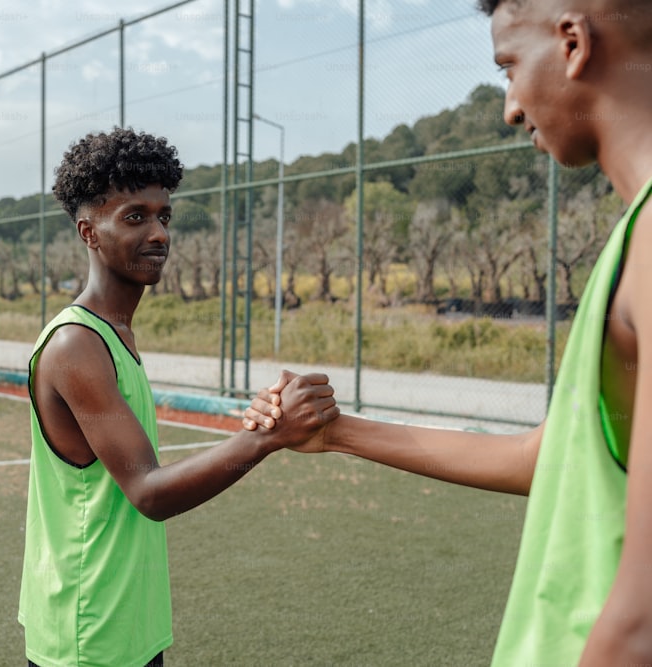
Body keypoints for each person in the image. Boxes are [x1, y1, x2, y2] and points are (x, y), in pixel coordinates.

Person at [245, 0, 652, 664]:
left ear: (573, 43)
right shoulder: (633, 237)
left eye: (509, 68)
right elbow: (553, 460)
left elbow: (642, 619)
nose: (511, 108)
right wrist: (338, 431)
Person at [17, 127, 340, 667]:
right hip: (87, 634)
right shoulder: (77, 344)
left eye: (163, 216)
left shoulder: (115, 334)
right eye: (134, 216)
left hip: (125, 624)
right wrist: (266, 439)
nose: (159, 233)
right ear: (88, 232)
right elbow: (150, 492)